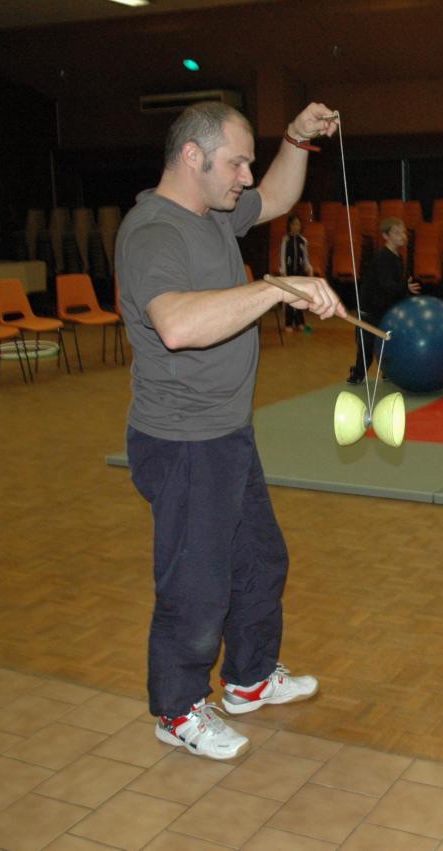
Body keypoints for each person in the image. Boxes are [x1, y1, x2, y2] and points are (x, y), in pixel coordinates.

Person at [116, 100, 345, 760]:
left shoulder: (214, 211)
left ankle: (247, 678)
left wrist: (297, 140)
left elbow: (275, 193)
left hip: (224, 432)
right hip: (183, 440)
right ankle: (178, 707)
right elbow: (178, 326)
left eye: (248, 160)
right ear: (193, 156)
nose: (246, 176)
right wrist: (275, 287)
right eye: (235, 162)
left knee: (258, 559)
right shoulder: (152, 232)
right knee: (196, 583)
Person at [347, 216, 421, 384]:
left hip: (384, 309)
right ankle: (357, 375)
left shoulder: (397, 258)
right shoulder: (382, 257)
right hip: (369, 310)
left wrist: (406, 296)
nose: (402, 235)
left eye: (403, 231)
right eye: (396, 232)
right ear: (385, 236)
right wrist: (405, 287)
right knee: (366, 348)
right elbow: (386, 285)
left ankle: (388, 371)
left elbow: (394, 287)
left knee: (389, 342)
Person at [279, 213, 312, 332]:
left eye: (298, 224)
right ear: (289, 225)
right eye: (293, 224)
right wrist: (283, 271)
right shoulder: (285, 240)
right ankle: (288, 323)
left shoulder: (303, 241)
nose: (296, 226)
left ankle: (300, 322)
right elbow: (282, 257)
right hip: (288, 274)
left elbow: (305, 258)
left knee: (299, 298)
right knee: (289, 299)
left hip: (300, 273)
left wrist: (309, 268)